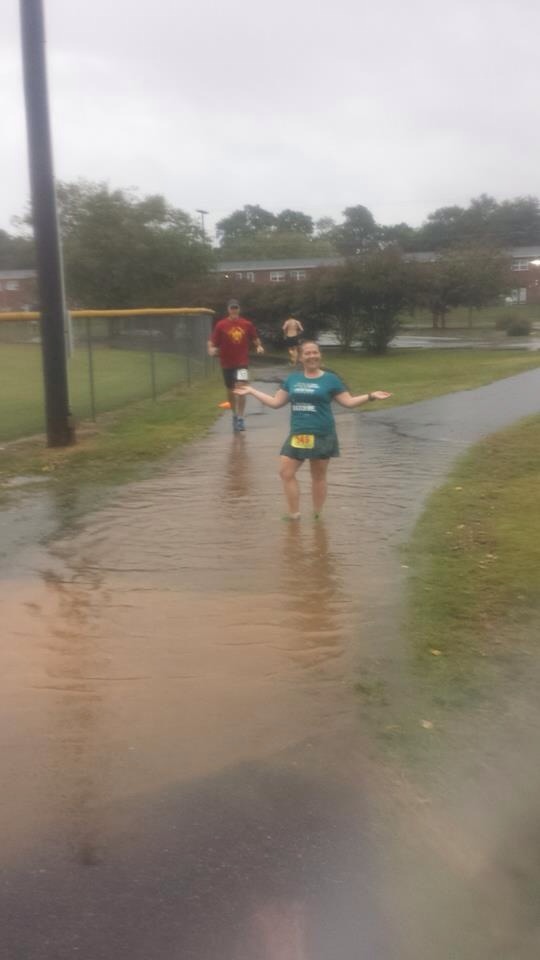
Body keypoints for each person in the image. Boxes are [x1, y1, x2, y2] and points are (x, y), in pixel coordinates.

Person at [235, 340, 392, 519]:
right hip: (299, 433)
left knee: (318, 476)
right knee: (286, 472)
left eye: (315, 352)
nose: (312, 356)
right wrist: (251, 391)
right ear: (301, 357)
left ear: (320, 355)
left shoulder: (330, 379)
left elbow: (348, 402)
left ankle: (317, 515)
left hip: (321, 433)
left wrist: (371, 396)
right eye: (307, 353)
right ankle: (294, 514)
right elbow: (276, 402)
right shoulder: (293, 379)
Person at [208, 299, 264, 432]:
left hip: (242, 362)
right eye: (232, 308)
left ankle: (240, 418)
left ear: (239, 309)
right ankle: (234, 414)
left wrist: (259, 346)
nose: (234, 310)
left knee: (241, 389)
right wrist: (211, 349)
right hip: (227, 363)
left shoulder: (246, 324)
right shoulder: (221, 325)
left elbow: (255, 338)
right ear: (228, 310)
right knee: (231, 391)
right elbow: (212, 341)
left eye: (236, 308)